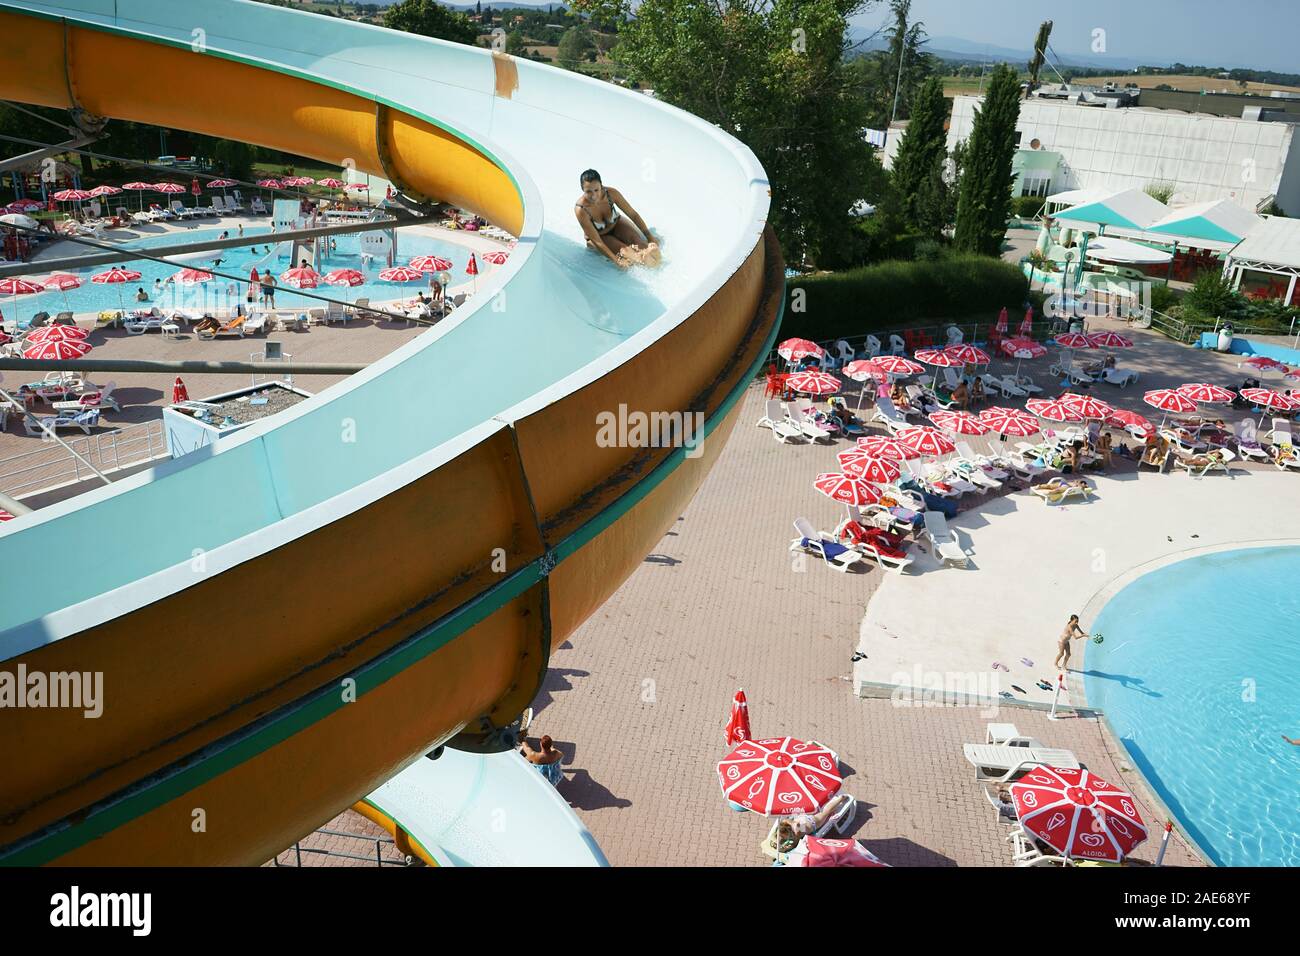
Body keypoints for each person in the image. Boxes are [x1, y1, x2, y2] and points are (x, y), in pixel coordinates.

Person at [574, 168, 660, 269]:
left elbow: (633, 214)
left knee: (640, 243)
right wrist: (616, 261)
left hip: (617, 224)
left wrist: (649, 237)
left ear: (601, 185)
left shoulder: (611, 194)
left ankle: (653, 257)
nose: (593, 196)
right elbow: (597, 241)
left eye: (596, 190)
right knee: (625, 251)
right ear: (582, 189)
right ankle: (648, 260)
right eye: (588, 191)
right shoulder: (581, 210)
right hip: (600, 236)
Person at [773, 793, 855, 853]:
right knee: (820, 810)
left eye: (783, 836)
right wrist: (792, 823)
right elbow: (787, 821)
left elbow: (795, 843)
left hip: (814, 822)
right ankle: (825, 798)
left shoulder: (797, 832)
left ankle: (841, 799)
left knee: (825, 812)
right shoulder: (786, 823)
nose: (782, 838)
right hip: (804, 816)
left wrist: (785, 848)